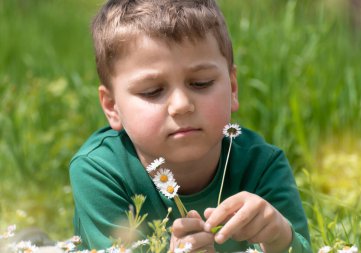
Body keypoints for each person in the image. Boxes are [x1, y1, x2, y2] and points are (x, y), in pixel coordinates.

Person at [69, 0, 312, 252]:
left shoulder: (262, 166)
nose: (181, 105)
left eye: (201, 83)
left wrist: (280, 238)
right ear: (111, 107)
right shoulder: (100, 172)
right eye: (153, 91)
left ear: (232, 87)